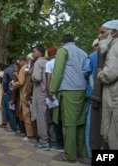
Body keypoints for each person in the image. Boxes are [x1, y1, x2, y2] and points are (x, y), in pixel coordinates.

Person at [48, 34, 87, 162]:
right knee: (80, 122)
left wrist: (52, 89)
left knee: (68, 123)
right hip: (82, 89)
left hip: (68, 90)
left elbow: (58, 71)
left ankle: (70, 154)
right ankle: (82, 153)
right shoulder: (83, 52)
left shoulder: (63, 50)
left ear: (63, 42)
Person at [97, 20, 118, 149]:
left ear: (114, 32)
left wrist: (100, 73)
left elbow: (108, 76)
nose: (99, 36)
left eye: (102, 32)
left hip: (114, 101)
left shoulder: (115, 48)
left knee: (113, 138)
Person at [12, 56, 36, 142]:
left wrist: (14, 84)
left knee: (26, 115)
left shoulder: (23, 68)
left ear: (21, 61)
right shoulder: (28, 68)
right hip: (29, 93)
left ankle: (30, 135)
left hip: (24, 94)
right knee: (28, 114)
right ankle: (32, 133)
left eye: (18, 61)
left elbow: (21, 82)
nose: (18, 63)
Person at [31, 45, 50, 150]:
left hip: (39, 93)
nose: (33, 53)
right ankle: (49, 139)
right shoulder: (47, 62)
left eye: (34, 52)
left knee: (40, 118)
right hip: (46, 93)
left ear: (40, 53)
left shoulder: (38, 63)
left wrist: (31, 75)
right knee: (47, 117)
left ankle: (44, 141)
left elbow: (37, 77)